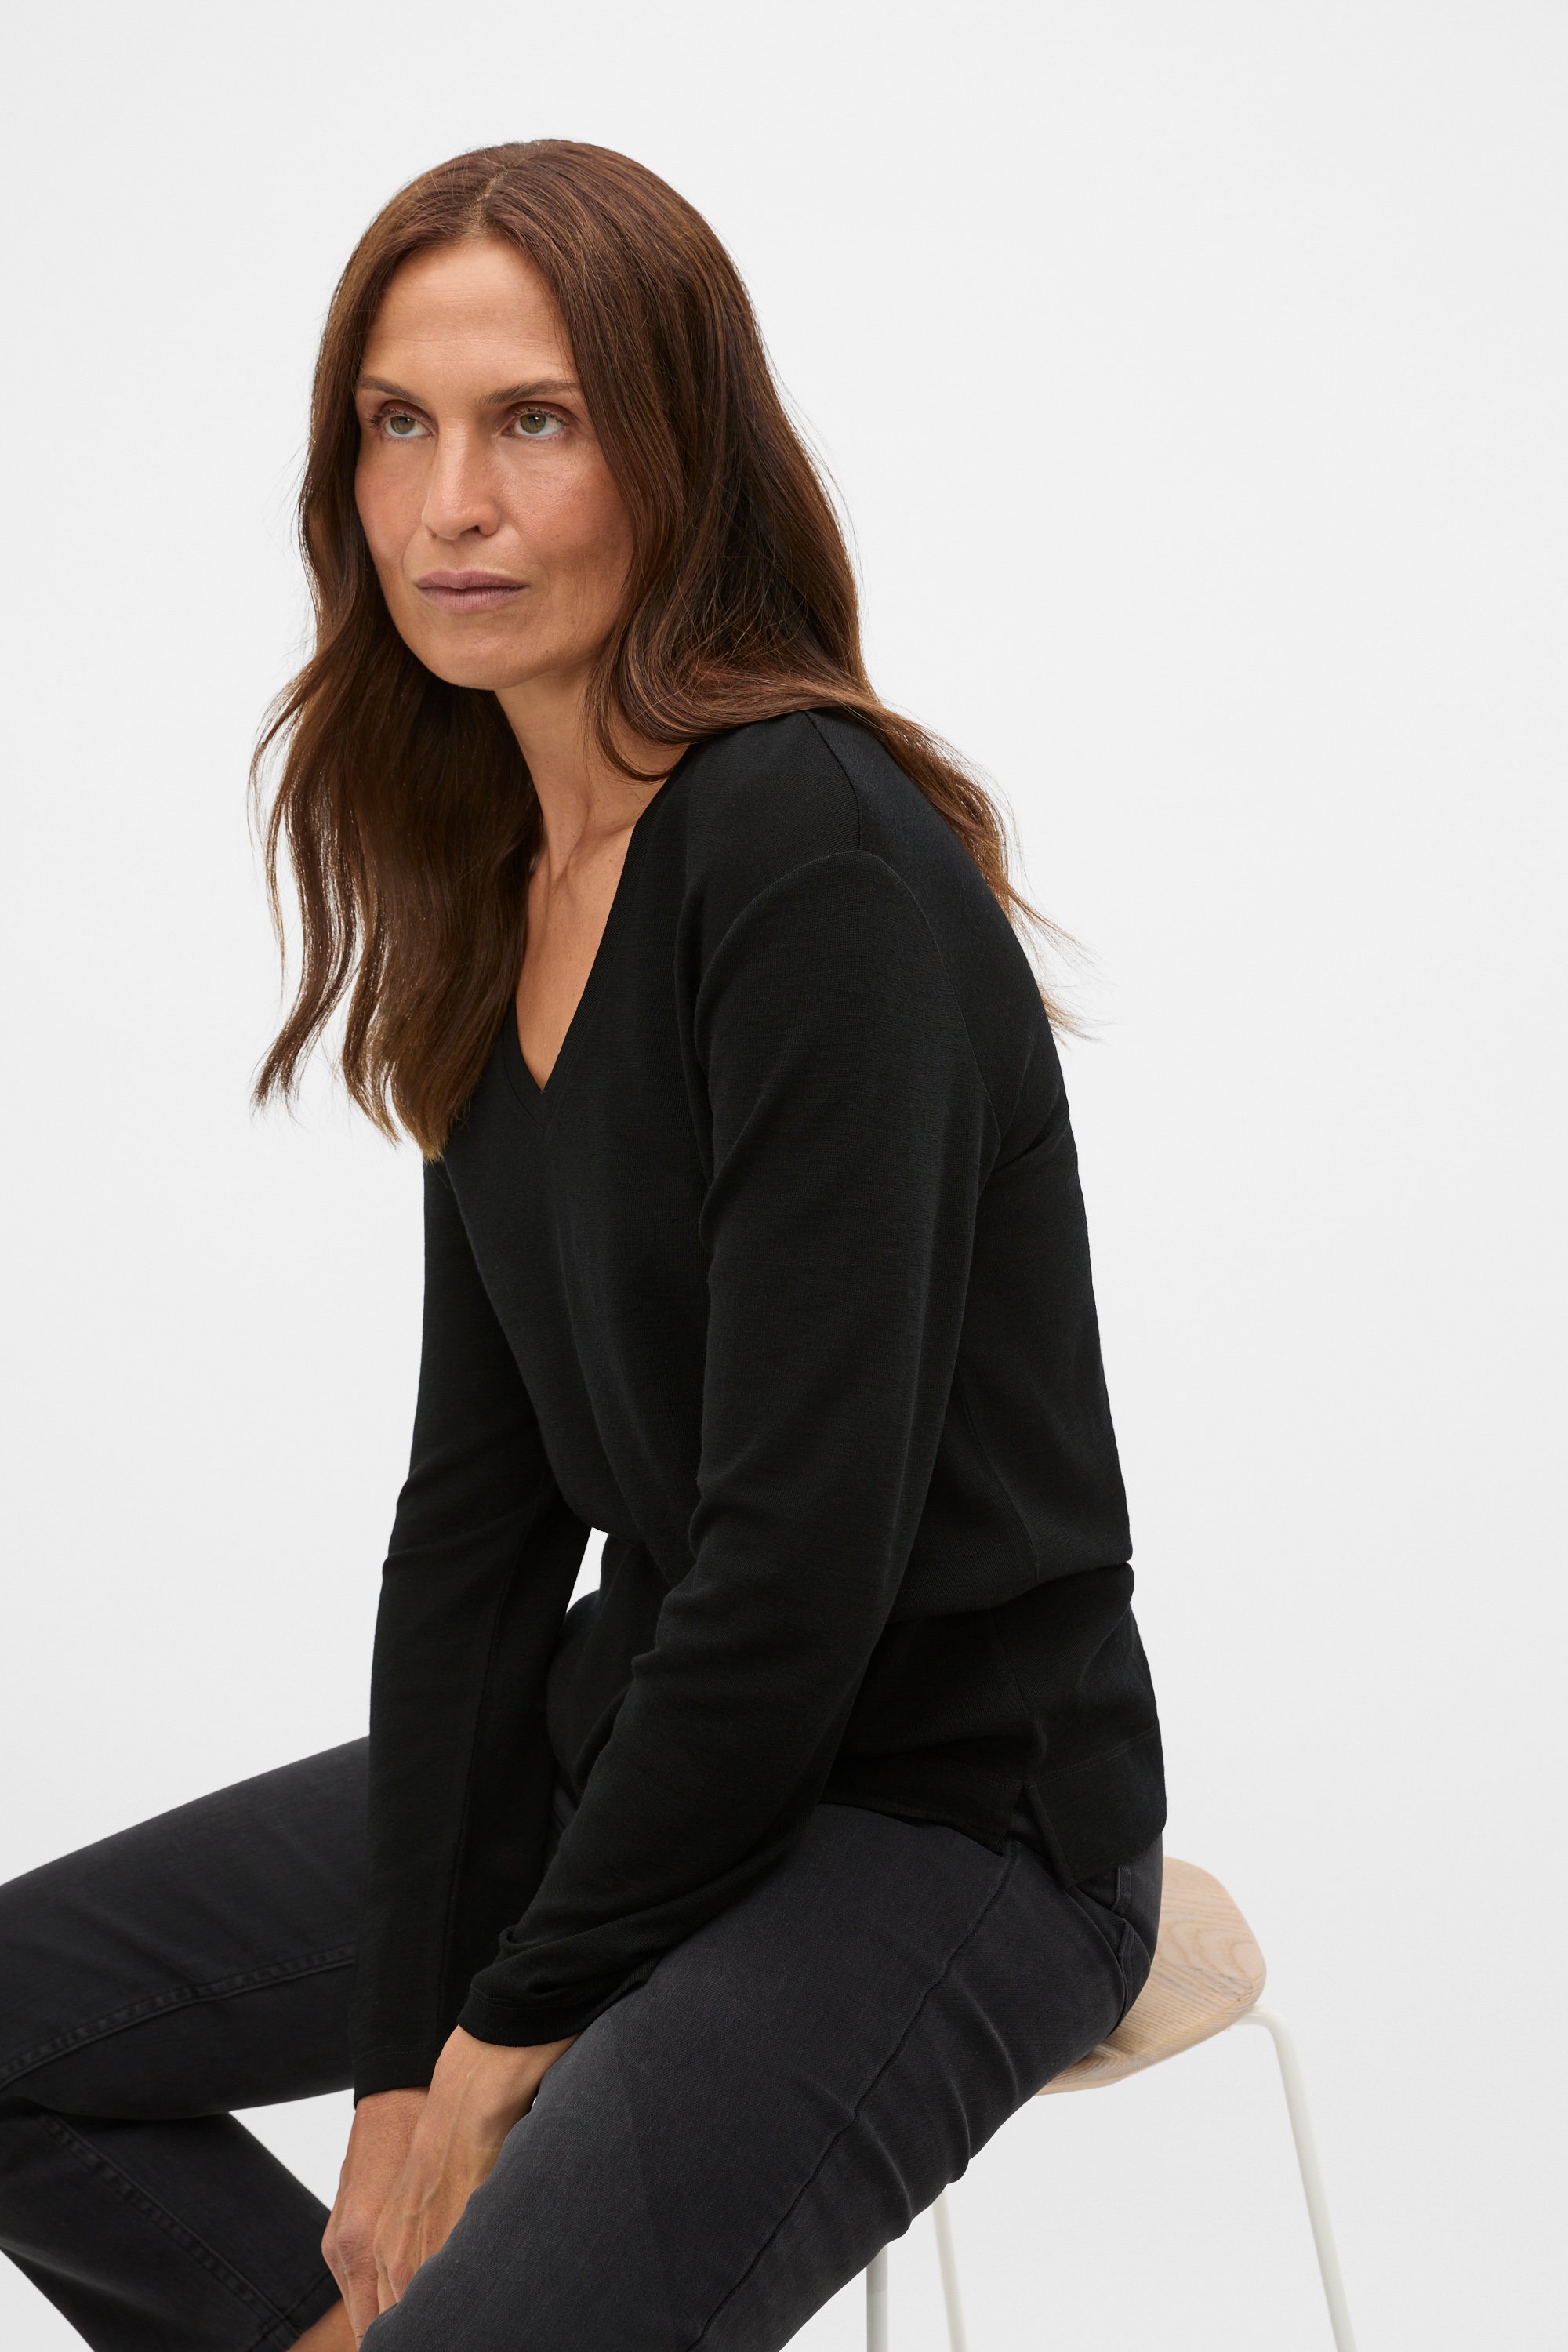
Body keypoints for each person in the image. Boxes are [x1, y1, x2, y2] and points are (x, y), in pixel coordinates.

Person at [0, 140, 1166, 2352]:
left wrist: (498, 2035)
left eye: (533, 421)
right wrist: (394, 2046)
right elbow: (477, 1521)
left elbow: (799, 1560)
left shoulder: (809, 860)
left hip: (949, 1811)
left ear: (678, 456)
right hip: (648, 1731)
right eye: (396, 424)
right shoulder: (503, 869)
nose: (451, 505)